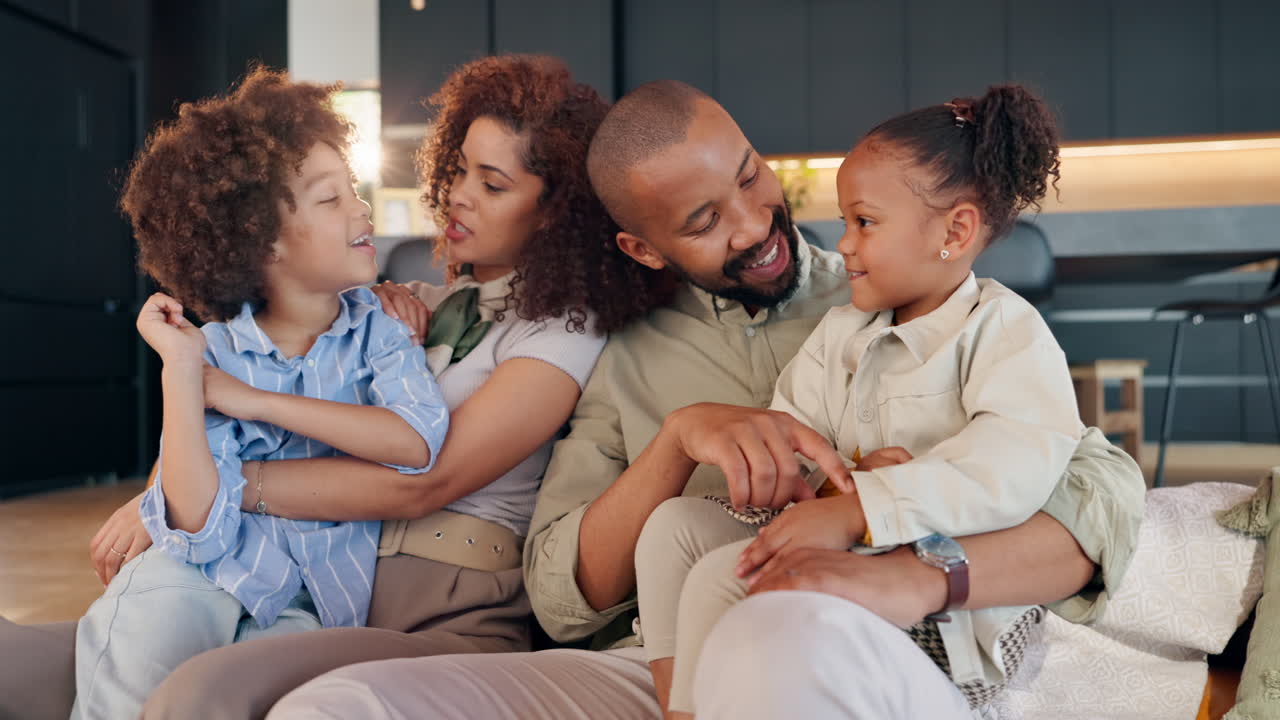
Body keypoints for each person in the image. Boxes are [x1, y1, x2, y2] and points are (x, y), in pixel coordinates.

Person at [265, 80, 1145, 720]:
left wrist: (880, 533)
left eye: (751, 177)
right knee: (338, 706)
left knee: (780, 650)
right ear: (641, 250)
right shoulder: (614, 354)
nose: (756, 225)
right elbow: (558, 594)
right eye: (701, 222)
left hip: (846, 629)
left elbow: (1092, 487)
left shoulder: (891, 294)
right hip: (653, 658)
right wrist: (675, 444)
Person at [0, 55, 669, 720]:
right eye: (459, 167)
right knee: (29, 660)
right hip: (311, 585)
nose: (459, 193)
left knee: (200, 692)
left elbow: (423, 479)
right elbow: (237, 403)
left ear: (555, 212)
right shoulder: (394, 305)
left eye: (492, 185)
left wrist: (210, 494)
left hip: (444, 614)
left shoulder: (561, 329)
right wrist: (166, 496)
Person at [634, 84, 1083, 718]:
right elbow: (794, 447)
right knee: (670, 529)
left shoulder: (1004, 331)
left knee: (725, 575)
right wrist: (823, 489)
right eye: (845, 222)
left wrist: (869, 504)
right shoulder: (841, 334)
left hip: (950, 611)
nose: (842, 243)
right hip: (851, 545)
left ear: (954, 230)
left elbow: (1011, 473)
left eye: (864, 223)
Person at [70, 65, 452, 720]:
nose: (361, 208)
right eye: (330, 199)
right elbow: (195, 521)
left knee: (249, 693)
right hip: (196, 574)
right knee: (134, 631)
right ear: (262, 239)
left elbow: (415, 444)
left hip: (311, 600)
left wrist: (259, 402)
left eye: (352, 188)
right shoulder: (214, 351)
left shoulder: (380, 335)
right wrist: (181, 371)